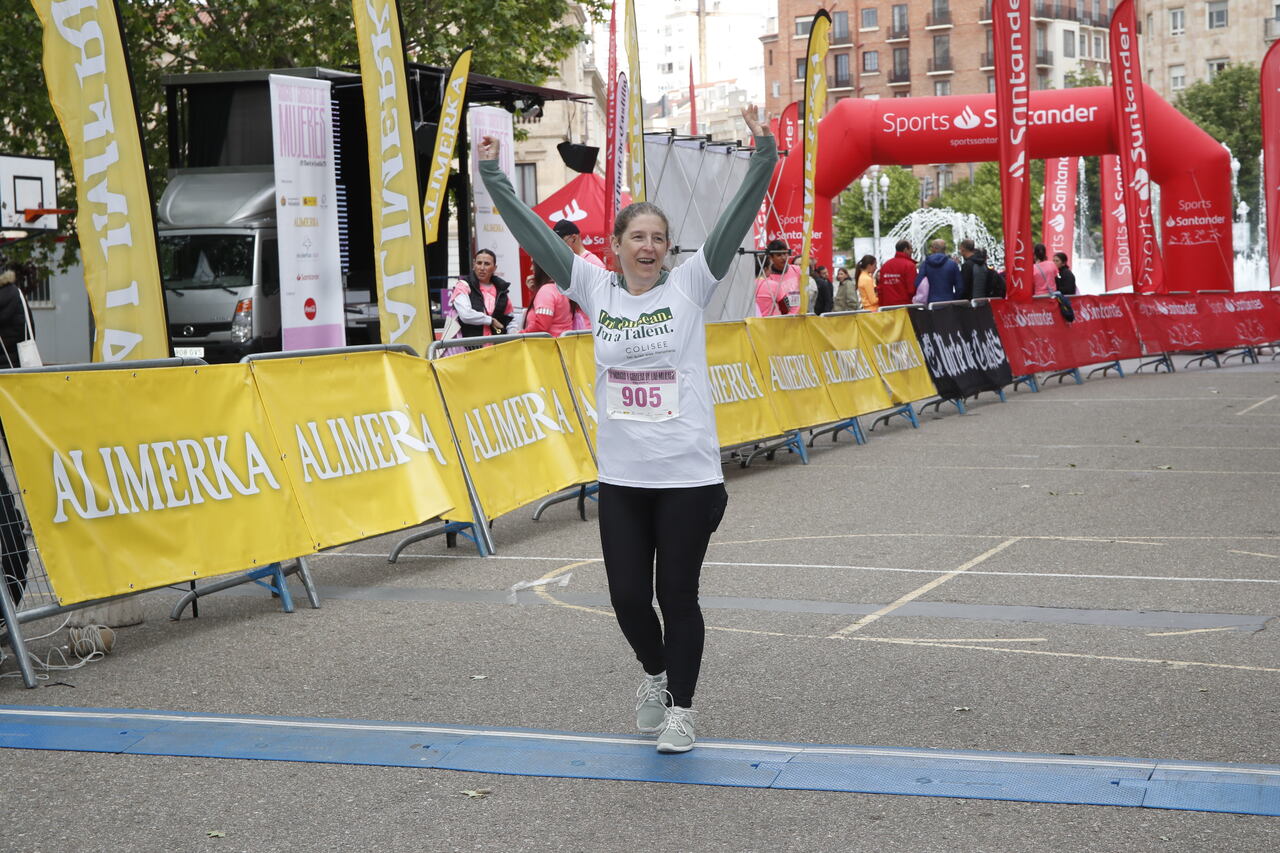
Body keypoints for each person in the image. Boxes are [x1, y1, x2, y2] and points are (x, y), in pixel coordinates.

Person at [478, 106, 774, 754]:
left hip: (687, 474)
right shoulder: (593, 287)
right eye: (637, 236)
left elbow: (734, 221)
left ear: (668, 249)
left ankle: (682, 711)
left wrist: (764, 153)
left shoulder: (690, 285)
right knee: (627, 598)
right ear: (615, 245)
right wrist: (495, 176)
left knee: (677, 594)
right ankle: (655, 673)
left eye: (658, 238)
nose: (648, 246)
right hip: (623, 477)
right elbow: (535, 235)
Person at [450, 249, 514, 340]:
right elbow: (465, 315)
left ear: (494, 268)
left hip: (497, 345)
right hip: (469, 346)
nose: (482, 268)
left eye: (487, 264)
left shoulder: (501, 289)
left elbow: (510, 319)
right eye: (479, 263)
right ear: (474, 265)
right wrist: (490, 320)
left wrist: (514, 334)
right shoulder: (463, 285)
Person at [522, 262, 575, 337]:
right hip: (562, 342)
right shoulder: (558, 287)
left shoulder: (546, 291)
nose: (531, 268)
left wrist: (520, 334)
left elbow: (541, 326)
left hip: (549, 343)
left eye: (533, 264)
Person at [754, 239, 801, 316]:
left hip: (800, 316)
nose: (783, 257)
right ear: (771, 257)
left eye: (785, 253)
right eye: (779, 255)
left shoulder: (796, 270)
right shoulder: (768, 279)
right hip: (783, 318)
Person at [913, 238, 963, 304]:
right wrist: (954, 298)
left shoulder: (925, 264)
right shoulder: (952, 264)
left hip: (931, 303)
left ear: (933, 249)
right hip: (949, 302)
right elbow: (960, 287)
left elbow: (918, 283)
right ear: (945, 249)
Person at [876, 240, 918, 307]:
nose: (912, 251)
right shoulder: (909, 265)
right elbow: (911, 290)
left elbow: (880, 289)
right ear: (905, 249)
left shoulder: (886, 265)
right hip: (904, 306)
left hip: (887, 306)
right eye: (911, 248)